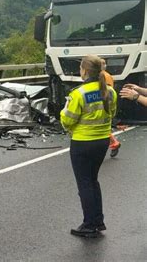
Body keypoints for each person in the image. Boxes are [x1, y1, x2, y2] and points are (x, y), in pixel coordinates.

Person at [60, 55, 117, 238]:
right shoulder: (110, 91)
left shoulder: (79, 93)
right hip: (101, 142)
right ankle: (98, 220)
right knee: (93, 181)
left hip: (82, 143)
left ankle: (89, 224)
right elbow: (112, 114)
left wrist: (63, 115)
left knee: (85, 184)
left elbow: (67, 120)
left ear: (84, 71)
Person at [100, 59, 121, 157]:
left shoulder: (103, 76)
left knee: (101, 128)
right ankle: (114, 143)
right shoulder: (106, 75)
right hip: (104, 104)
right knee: (102, 127)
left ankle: (114, 143)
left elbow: (107, 91)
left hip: (103, 104)